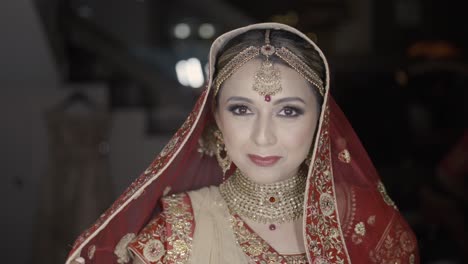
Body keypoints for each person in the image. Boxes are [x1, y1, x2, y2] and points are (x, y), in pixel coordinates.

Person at [66, 23, 419, 264]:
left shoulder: (369, 221)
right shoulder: (176, 234)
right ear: (217, 118)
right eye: (241, 109)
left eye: (289, 111)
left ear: (321, 118)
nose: (262, 136)